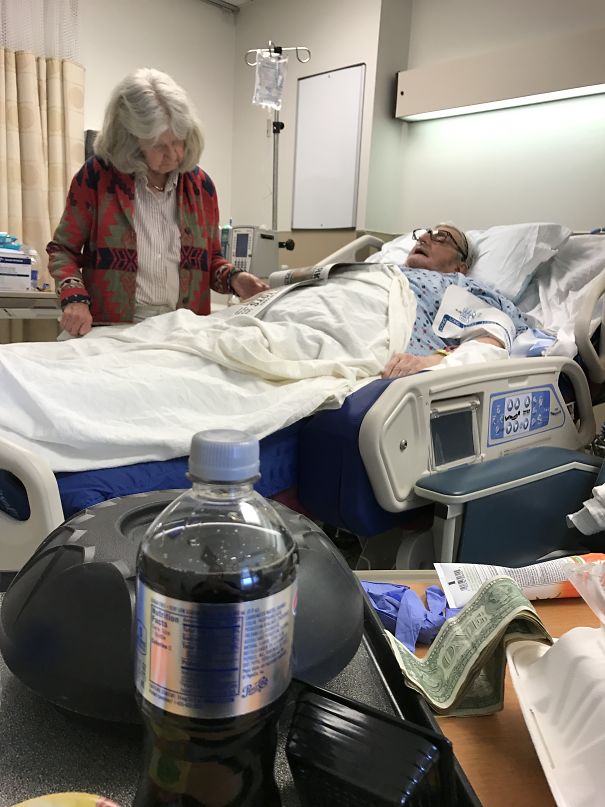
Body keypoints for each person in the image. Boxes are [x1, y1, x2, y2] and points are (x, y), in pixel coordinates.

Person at [48, 68, 268, 337]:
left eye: (179, 141)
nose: (175, 154)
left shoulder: (201, 187)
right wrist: (75, 298)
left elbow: (210, 261)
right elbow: (63, 250)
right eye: (159, 145)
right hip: (114, 326)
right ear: (131, 140)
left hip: (183, 325)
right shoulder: (96, 177)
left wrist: (236, 279)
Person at [382, 224, 529, 378]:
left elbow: (497, 331)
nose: (423, 238)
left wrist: (435, 360)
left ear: (460, 267)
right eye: (424, 234)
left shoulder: (460, 285)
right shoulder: (387, 270)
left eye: (440, 237)